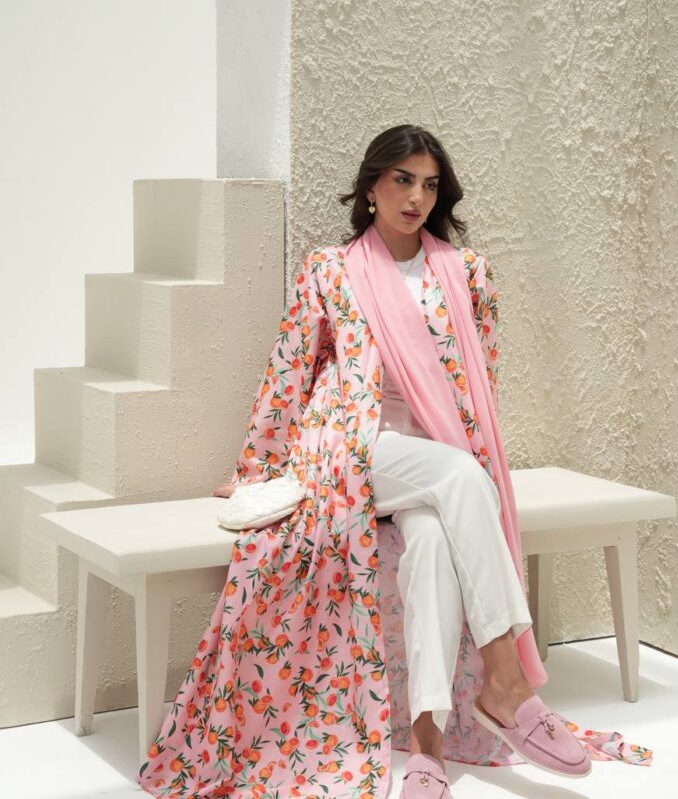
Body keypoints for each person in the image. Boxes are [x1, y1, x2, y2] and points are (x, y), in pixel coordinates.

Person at [136, 125, 613, 799]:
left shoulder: (466, 273)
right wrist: (257, 468)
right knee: (461, 478)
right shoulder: (330, 270)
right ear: (370, 188)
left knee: (433, 542)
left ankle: (426, 748)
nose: (416, 197)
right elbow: (289, 370)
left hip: (431, 447)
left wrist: (472, 449)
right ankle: (506, 682)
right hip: (348, 441)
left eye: (429, 185)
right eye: (401, 180)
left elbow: (479, 380)